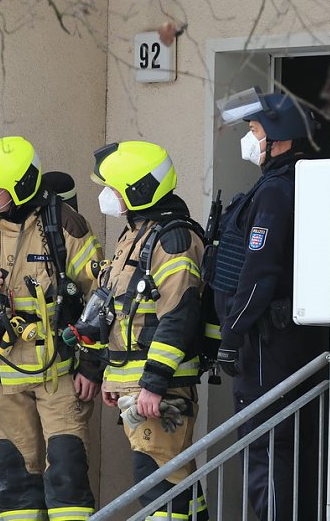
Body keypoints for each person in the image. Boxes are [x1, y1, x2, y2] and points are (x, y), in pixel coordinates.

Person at [0, 135, 103, 521]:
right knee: (14, 482)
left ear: (18, 187)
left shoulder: (65, 225)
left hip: (58, 375)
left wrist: (92, 366)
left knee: (68, 476)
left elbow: (100, 300)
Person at [67, 141, 209, 520]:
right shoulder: (136, 235)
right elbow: (116, 311)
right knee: (172, 478)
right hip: (139, 385)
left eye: (113, 188)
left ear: (137, 190)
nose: (107, 196)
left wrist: (154, 383)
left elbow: (178, 314)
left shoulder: (173, 240)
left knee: (160, 485)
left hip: (160, 388)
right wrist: (112, 376)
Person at [208, 90, 328, 520]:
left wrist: (232, 333)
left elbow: (259, 274)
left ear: (280, 137)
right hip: (284, 342)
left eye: (255, 130)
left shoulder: (277, 192)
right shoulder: (290, 184)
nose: (250, 139)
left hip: (266, 347)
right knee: (289, 450)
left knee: (267, 451)